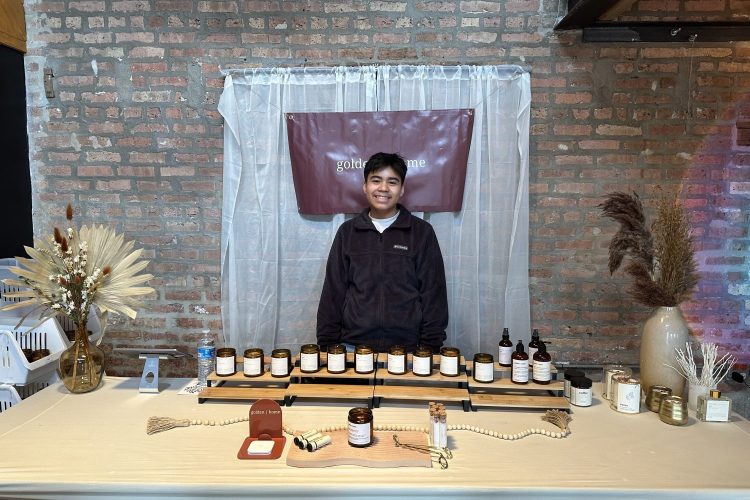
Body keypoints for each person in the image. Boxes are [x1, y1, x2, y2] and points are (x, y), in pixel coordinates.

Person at [316, 152, 448, 353]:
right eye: (376, 180)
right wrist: (328, 344)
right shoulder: (348, 232)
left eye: (392, 182)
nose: (383, 188)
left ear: (402, 189)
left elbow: (434, 294)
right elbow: (333, 292)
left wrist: (429, 346)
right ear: (365, 187)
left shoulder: (421, 233)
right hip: (352, 347)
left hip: (409, 350)